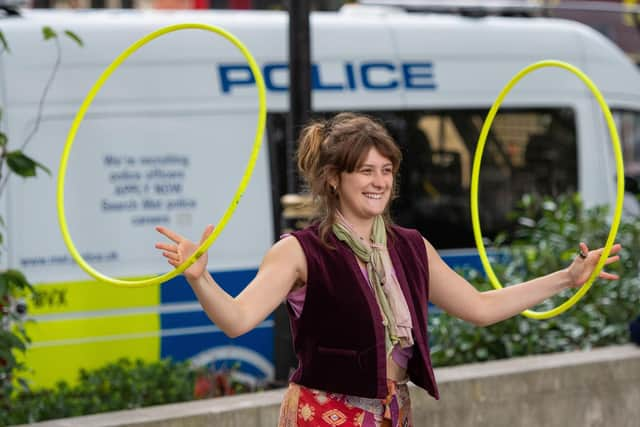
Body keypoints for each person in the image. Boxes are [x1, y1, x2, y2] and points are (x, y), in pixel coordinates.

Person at [155, 112, 622, 427]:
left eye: (386, 170)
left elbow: (480, 307)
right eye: (365, 171)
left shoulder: (410, 247)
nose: (379, 182)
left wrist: (567, 277)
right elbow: (237, 320)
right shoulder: (299, 251)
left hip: (393, 410)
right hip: (324, 413)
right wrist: (200, 278)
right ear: (334, 179)